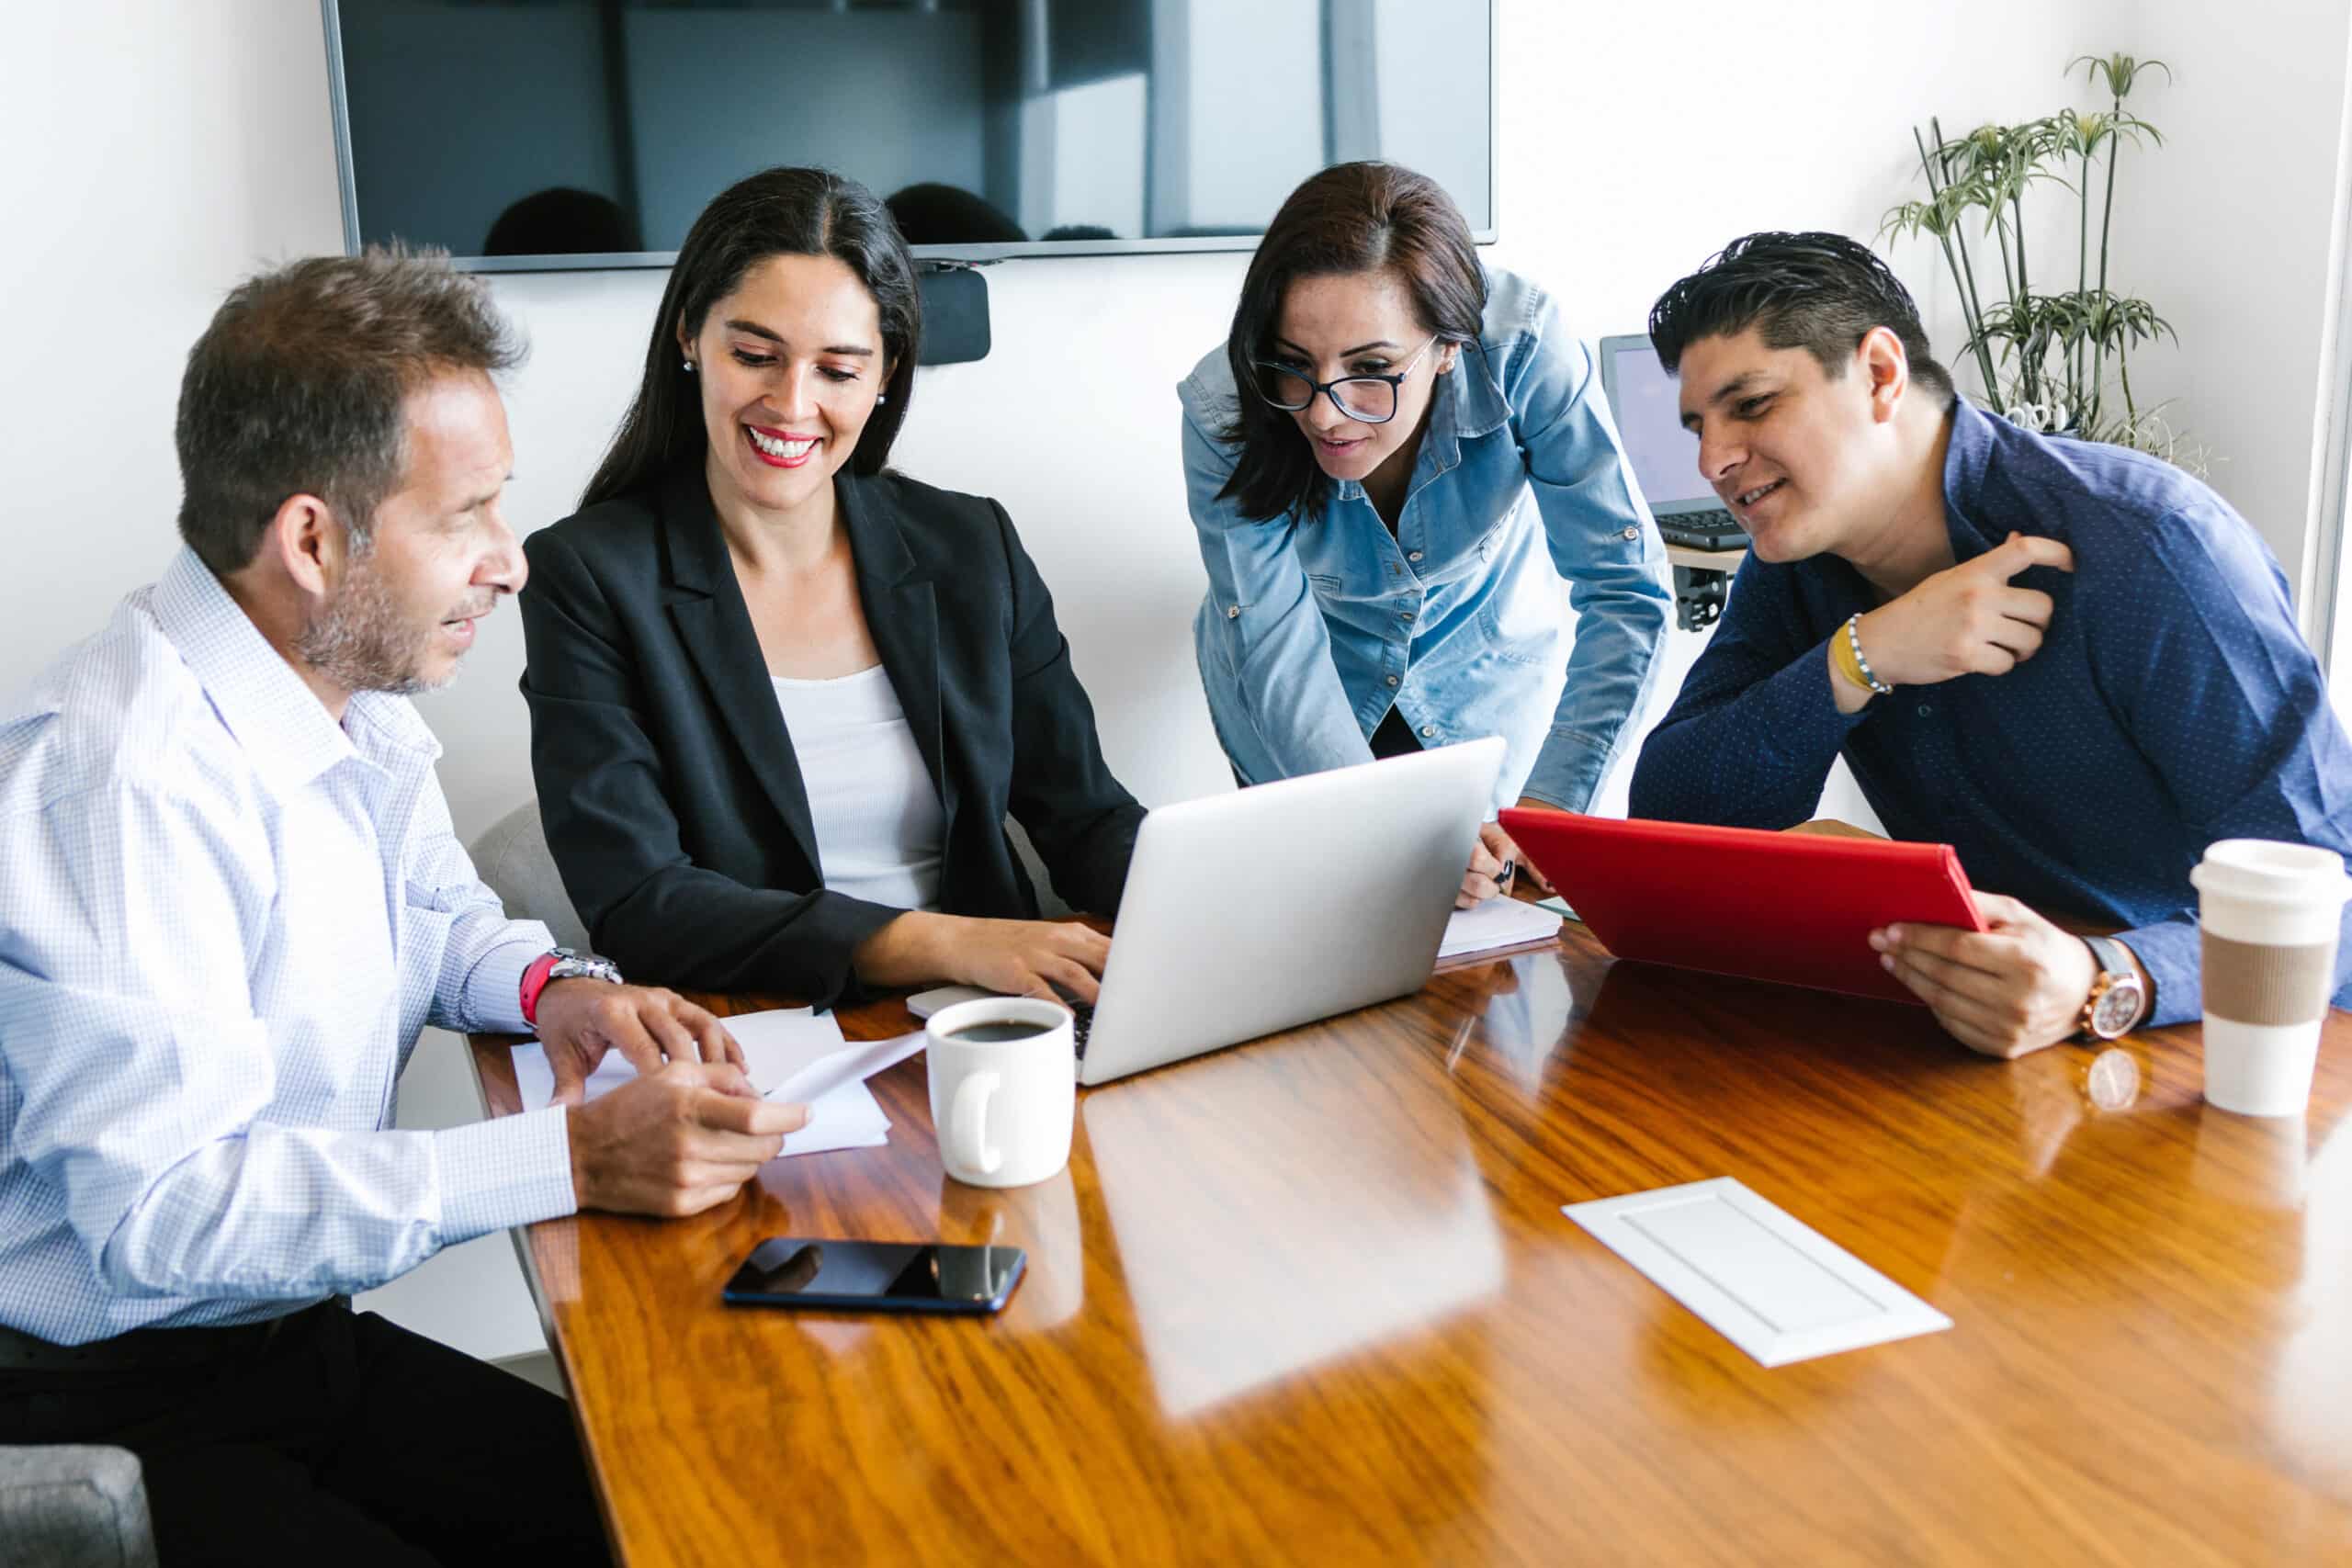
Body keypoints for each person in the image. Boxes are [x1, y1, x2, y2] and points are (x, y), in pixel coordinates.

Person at [0, 249, 806, 1565]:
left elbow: (432, 913)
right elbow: (163, 1214)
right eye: (467, 514)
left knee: (670, 1516)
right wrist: (575, 1157)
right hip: (111, 1404)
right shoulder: (122, 778)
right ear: (313, 538)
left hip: (288, 1346)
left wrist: (559, 989)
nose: (512, 562)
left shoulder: (339, 690)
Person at [1628, 231, 2352, 1056]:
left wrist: (2105, 977)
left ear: (1878, 374)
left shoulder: (2152, 548)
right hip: (1972, 1048)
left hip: (2214, 1051)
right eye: (1697, 426)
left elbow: (2335, 890)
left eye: (1751, 405)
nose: (1713, 459)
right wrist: (1858, 656)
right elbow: (1673, 820)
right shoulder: (1798, 555)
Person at [520, 167, 1143, 1010]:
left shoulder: (970, 547)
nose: (791, 404)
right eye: (754, 355)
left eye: (838, 371)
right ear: (689, 338)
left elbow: (1085, 817)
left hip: (991, 1024)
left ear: (886, 375)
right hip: (761, 1030)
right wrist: (943, 941)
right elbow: (640, 903)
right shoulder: (588, 577)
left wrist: (1204, 904)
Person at [1180, 162, 1674, 908]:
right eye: (1294, 366)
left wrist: (1551, 814)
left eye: (1371, 368)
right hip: (1308, 700)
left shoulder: (1522, 348)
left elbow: (1626, 589)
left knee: (1504, 948)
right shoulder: (1226, 406)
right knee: (1338, 924)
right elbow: (1274, 643)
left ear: (1449, 347)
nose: (1324, 414)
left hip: (1484, 677)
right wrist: (1393, 837)